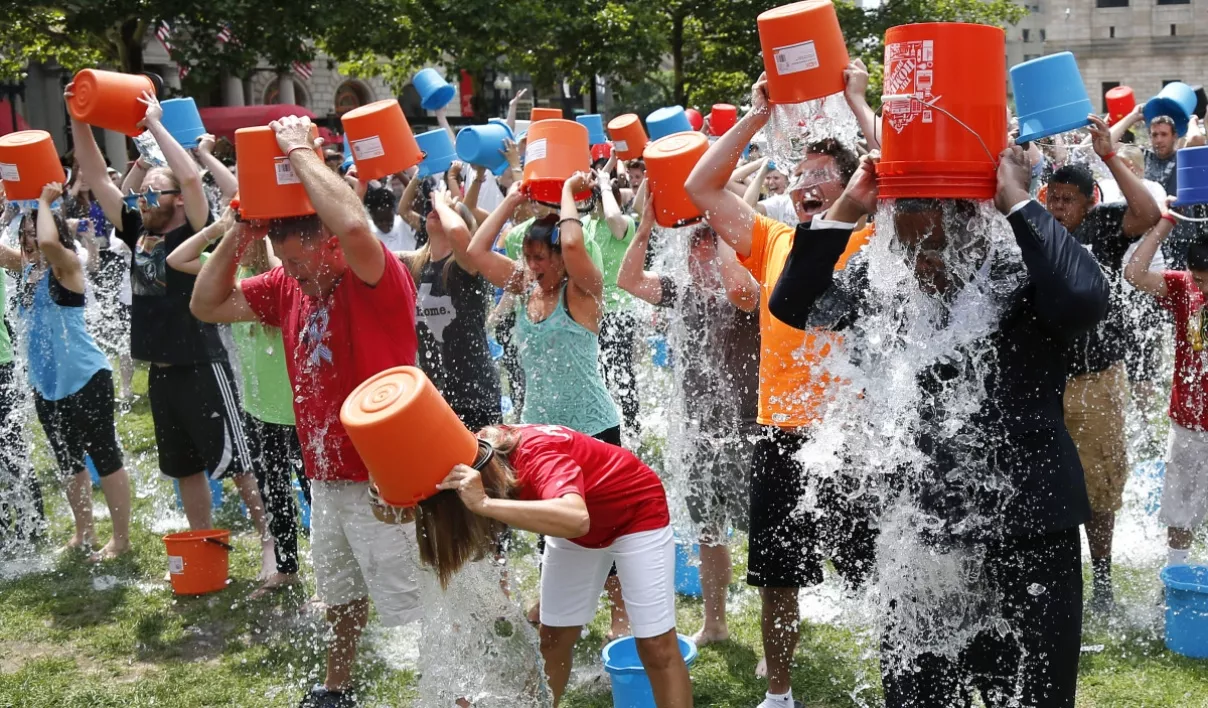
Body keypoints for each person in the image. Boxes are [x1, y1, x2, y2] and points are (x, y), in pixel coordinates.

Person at [767, 143, 1109, 707]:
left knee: (1036, 698)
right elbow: (795, 304)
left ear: (974, 228)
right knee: (918, 695)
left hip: (1028, 530)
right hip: (924, 538)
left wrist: (1018, 202)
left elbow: (1081, 298)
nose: (922, 262)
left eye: (933, 246)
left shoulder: (1019, 274)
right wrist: (848, 209)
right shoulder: (889, 285)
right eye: (909, 246)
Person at [191, 114, 423, 708]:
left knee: (412, 601)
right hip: (325, 474)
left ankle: (443, 688)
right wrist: (242, 232)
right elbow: (206, 303)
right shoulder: (288, 286)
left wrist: (298, 151)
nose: (291, 275)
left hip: (386, 476)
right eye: (283, 263)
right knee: (341, 591)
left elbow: (353, 220)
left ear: (328, 244)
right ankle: (337, 687)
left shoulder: (377, 276)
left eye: (298, 261)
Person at [684, 71, 876, 708]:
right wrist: (756, 116)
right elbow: (699, 186)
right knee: (777, 576)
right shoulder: (772, 238)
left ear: (850, 187)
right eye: (802, 174)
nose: (807, 183)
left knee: (877, 569)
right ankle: (779, 692)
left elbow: (898, 172)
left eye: (824, 174)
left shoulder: (872, 237)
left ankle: (897, 676)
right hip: (783, 433)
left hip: (854, 437)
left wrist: (855, 101)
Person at [68, 86, 266, 534]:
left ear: (176, 198)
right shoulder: (140, 231)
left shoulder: (195, 226)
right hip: (160, 371)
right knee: (184, 468)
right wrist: (79, 117)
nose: (139, 199)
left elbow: (194, 179)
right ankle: (204, 542)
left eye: (152, 193)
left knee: (238, 464)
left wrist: (155, 122)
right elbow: (99, 178)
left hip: (200, 362)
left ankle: (274, 546)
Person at [410, 423, 692, 708]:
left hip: (636, 512)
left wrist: (482, 504)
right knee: (553, 640)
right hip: (575, 529)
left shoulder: (536, 456)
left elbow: (575, 518)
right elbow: (395, 512)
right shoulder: (469, 456)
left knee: (655, 646)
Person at [467, 173, 630, 639]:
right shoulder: (524, 289)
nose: (532, 265)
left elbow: (577, 243)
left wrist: (567, 194)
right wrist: (513, 199)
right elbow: (477, 253)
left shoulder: (582, 292)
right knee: (549, 528)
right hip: (540, 432)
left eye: (541, 257)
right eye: (529, 257)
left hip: (593, 430)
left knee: (604, 526)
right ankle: (556, 606)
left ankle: (620, 620)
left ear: (560, 257)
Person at [617, 199, 760, 647]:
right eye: (693, 246)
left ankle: (767, 631)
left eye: (708, 245)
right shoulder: (681, 290)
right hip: (699, 430)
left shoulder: (747, 291)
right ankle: (715, 623)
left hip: (748, 431)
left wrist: (721, 230)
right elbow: (628, 280)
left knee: (761, 534)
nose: (697, 256)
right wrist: (643, 224)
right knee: (708, 530)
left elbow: (741, 285)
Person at [1043, 121, 1162, 613]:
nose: (1059, 207)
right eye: (1053, 197)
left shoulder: (1105, 226)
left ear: (1090, 200)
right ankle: (1055, 580)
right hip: (1046, 380)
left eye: (1069, 199)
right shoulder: (1034, 229)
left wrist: (1110, 156)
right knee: (1048, 481)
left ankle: (1105, 583)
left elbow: (1150, 213)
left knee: (1100, 485)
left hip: (1098, 379)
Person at [167, 208, 311, 597]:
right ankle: (286, 569)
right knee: (274, 493)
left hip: (296, 412)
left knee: (315, 494)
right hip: (259, 409)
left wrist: (258, 229)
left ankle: (332, 580)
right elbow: (176, 259)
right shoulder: (235, 284)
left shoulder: (281, 280)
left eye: (241, 243)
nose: (233, 251)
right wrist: (223, 230)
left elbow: (278, 262)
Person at [0, 183, 132, 560]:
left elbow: (49, 245)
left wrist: (42, 201)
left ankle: (120, 539)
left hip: (86, 377)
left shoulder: (67, 265)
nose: (30, 242)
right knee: (67, 460)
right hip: (48, 385)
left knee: (104, 455)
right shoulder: (25, 271)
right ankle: (83, 533)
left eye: (34, 234)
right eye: (23, 237)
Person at [1124, 209, 1208, 577]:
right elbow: (1134, 273)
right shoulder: (1182, 287)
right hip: (1189, 423)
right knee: (1180, 509)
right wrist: (1165, 223)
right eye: (1199, 280)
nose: (1203, 288)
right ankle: (1175, 578)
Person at [397, 187, 502, 432]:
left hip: (476, 394)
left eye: (449, 210)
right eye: (434, 207)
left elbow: (457, 231)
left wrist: (443, 204)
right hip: (435, 398)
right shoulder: (414, 266)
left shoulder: (465, 266)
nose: (437, 209)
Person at [364, 184, 416, 252]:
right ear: (371, 215)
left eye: (388, 220)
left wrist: (399, 174)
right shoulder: (369, 231)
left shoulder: (404, 223)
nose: (384, 224)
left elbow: (414, 192)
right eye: (380, 221)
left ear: (393, 211)